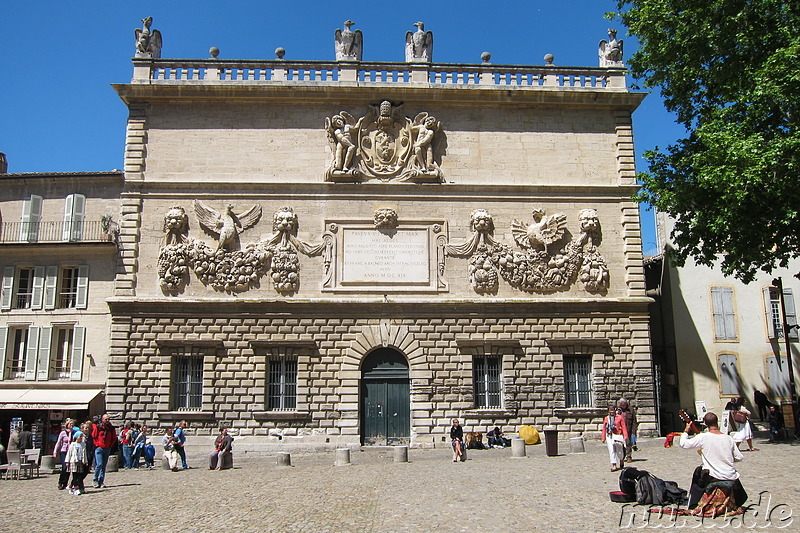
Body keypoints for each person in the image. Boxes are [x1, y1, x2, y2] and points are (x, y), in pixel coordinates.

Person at [679, 412, 747, 510]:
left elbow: (684, 444)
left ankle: (693, 502)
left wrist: (686, 431)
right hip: (729, 474)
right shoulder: (728, 438)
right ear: (717, 423)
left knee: (698, 472)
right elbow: (739, 457)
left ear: (705, 423)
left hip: (714, 476)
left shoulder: (703, 437)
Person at [91, 413, 117, 488]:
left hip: (107, 448)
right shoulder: (98, 427)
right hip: (99, 448)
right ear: (102, 419)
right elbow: (94, 436)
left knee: (103, 466)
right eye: (106, 419)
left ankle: (101, 481)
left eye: (108, 419)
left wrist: (110, 446)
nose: (107, 420)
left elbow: (114, 438)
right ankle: (95, 479)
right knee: (99, 464)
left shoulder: (111, 428)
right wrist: (97, 445)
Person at [601, 404, 629, 472]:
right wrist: (603, 437)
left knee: (619, 450)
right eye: (610, 410)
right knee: (611, 450)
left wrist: (625, 436)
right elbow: (604, 428)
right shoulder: (606, 418)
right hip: (609, 436)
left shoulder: (619, 417)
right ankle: (614, 465)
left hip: (617, 435)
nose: (612, 412)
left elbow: (623, 427)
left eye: (613, 410)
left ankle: (621, 460)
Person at [66, 427, 89, 495]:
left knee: (80, 476)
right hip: (74, 461)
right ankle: (76, 489)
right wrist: (67, 461)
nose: (81, 438)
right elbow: (69, 453)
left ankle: (75, 487)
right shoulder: (72, 445)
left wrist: (86, 461)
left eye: (82, 436)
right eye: (80, 436)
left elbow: (84, 454)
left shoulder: (83, 444)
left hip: (80, 461)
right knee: (75, 476)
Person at [53, 419, 75, 490]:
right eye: (70, 424)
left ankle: (65, 483)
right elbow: (58, 442)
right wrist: (55, 451)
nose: (71, 426)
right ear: (67, 425)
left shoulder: (74, 433)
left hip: (71, 452)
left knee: (69, 468)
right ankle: (60, 481)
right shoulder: (63, 433)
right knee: (64, 467)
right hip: (64, 451)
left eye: (72, 424)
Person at [618, 398, 638, 462]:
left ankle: (629, 456)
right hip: (620, 430)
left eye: (623, 405)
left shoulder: (631, 410)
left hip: (628, 429)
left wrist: (634, 431)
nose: (622, 406)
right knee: (620, 444)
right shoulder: (618, 410)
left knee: (628, 443)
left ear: (626, 403)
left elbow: (634, 421)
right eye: (621, 405)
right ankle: (622, 456)